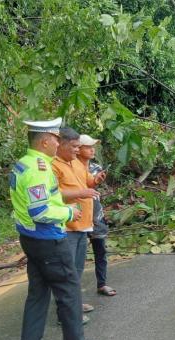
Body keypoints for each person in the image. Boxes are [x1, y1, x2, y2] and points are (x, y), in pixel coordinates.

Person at [10, 117, 104, 340]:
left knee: (38, 296)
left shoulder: (23, 163)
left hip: (30, 238)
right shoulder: (39, 169)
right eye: (55, 139)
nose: (58, 142)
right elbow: (40, 211)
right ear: (44, 141)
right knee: (69, 291)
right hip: (48, 238)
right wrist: (69, 211)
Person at [51, 128, 106, 321]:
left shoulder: (75, 162)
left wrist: (95, 180)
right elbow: (53, 194)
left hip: (84, 224)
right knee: (67, 271)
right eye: (74, 146)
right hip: (67, 226)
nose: (77, 150)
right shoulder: (53, 166)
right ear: (61, 145)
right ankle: (65, 314)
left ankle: (74, 303)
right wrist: (80, 194)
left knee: (77, 270)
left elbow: (87, 181)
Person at [76, 134, 116, 297]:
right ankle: (74, 294)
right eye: (88, 147)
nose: (92, 150)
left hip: (95, 214)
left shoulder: (95, 167)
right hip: (77, 215)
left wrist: (97, 180)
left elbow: (95, 190)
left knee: (100, 250)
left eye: (93, 146)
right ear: (78, 149)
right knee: (77, 256)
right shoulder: (71, 167)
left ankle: (102, 284)